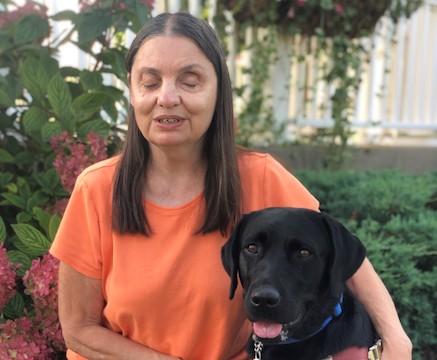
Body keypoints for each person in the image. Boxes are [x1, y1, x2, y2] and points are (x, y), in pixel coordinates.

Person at [50, 11, 412, 360]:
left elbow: (344, 260)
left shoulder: (260, 177)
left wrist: (396, 340)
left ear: (218, 90)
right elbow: (79, 328)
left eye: (190, 82)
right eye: (150, 82)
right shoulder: (97, 189)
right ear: (131, 92)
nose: (167, 97)